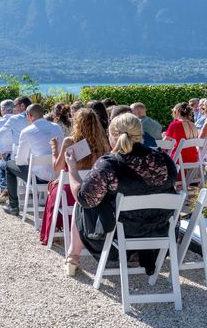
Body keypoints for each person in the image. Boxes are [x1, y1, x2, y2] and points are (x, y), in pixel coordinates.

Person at [66, 113, 177, 276]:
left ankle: (72, 255)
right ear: (140, 134)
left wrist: (72, 169)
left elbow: (84, 199)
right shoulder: (165, 160)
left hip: (120, 231)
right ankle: (138, 254)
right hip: (157, 229)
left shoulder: (108, 164)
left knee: (80, 204)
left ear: (112, 136)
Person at [40, 108, 109, 247]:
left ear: (76, 123)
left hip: (71, 192)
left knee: (53, 188)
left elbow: (57, 168)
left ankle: (55, 232)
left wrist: (54, 150)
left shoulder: (69, 142)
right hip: (96, 191)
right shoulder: (104, 143)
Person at [2, 104, 64, 216]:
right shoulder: (57, 127)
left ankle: (14, 206)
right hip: (58, 175)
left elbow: (20, 162)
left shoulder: (27, 131)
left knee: (9, 165)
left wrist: (30, 160)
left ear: (29, 115)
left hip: (39, 178)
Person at [0, 96, 33, 162]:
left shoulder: (14, 119)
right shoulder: (37, 119)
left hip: (19, 160)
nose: (13, 109)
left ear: (22, 105)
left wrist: (2, 152)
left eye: (15, 105)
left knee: (0, 166)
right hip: (34, 159)